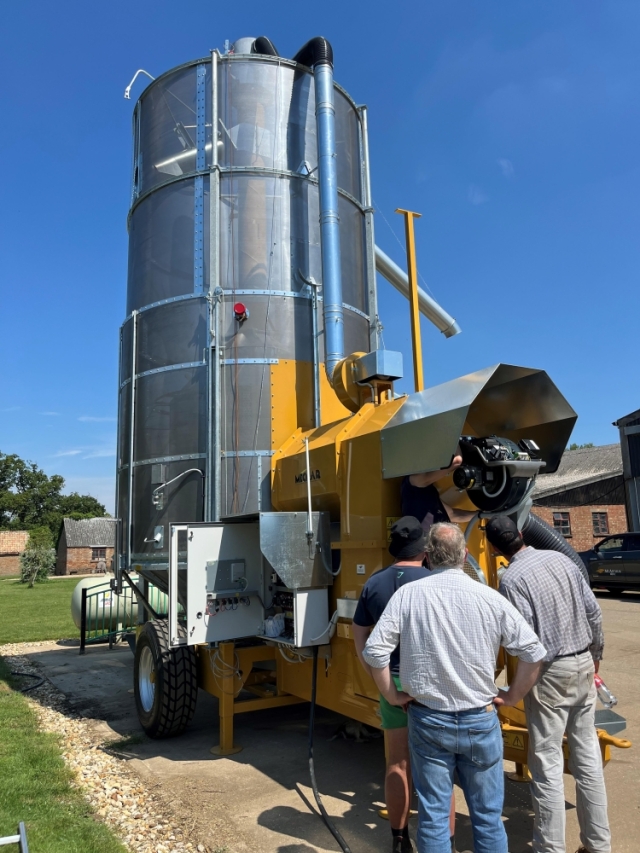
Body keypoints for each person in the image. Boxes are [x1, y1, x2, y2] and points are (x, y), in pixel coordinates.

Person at [363, 522, 547, 853]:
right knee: (488, 818)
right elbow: (533, 652)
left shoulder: (408, 595)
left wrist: (392, 694)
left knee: (433, 816)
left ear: (428, 557)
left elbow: (375, 651)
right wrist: (512, 695)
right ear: (464, 555)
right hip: (480, 717)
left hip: (429, 718)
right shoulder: (489, 596)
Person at [485, 515, 610, 853]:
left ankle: (550, 848)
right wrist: (594, 656)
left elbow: (523, 644)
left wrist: (512, 692)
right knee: (587, 761)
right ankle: (598, 845)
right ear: (523, 534)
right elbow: (593, 612)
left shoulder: (512, 579)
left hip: (549, 673)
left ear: (494, 547)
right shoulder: (561, 559)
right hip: (583, 661)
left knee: (547, 764)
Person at [352, 517, 455, 853]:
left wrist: (374, 674)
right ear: (424, 548)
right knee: (438, 769)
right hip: (431, 681)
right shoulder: (434, 581)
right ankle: (446, 843)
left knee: (397, 763)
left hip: (392, 681)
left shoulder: (375, 583)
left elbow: (360, 633)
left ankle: (399, 839)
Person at [401, 449, 476, 534]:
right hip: (431, 545)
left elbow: (453, 515)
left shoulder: (425, 493)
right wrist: (455, 437)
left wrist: (480, 514)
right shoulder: (415, 482)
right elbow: (456, 461)